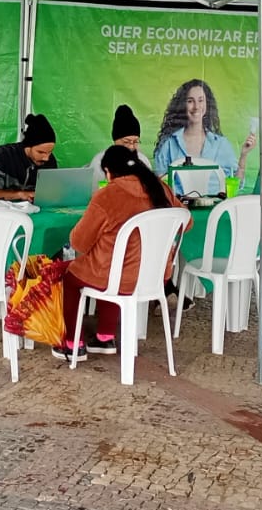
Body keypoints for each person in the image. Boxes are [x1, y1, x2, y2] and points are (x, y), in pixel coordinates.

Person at [55, 145, 188, 360]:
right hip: (154, 278)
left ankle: (72, 343)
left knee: (72, 276)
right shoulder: (160, 188)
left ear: (108, 171)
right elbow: (186, 222)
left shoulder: (107, 195)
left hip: (116, 278)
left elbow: (79, 243)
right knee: (111, 268)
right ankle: (105, 337)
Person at [152, 79, 255, 191]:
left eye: (201, 100)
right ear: (182, 105)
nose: (196, 106)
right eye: (190, 101)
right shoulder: (169, 144)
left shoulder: (221, 144)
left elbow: (237, 184)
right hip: (180, 207)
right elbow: (160, 188)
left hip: (215, 207)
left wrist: (243, 155)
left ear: (207, 104)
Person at [0, 113, 58, 203]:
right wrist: (20, 194)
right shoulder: (3, 156)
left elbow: (51, 192)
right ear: (28, 146)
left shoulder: (50, 161)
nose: (46, 158)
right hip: (3, 212)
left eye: (49, 152)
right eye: (41, 152)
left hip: (37, 211)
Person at [86, 104, 152, 170]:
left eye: (135, 142)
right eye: (126, 142)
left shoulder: (143, 161)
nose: (131, 147)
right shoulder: (100, 162)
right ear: (115, 140)